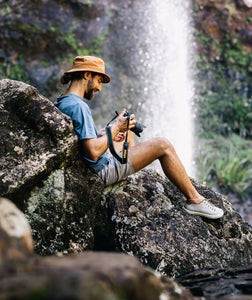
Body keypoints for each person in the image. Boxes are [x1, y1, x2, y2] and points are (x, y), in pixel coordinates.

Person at [54, 56, 224, 219]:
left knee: (127, 130)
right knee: (162, 144)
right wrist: (114, 128)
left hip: (91, 165)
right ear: (86, 75)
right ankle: (194, 200)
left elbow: (80, 139)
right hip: (100, 171)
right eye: (99, 81)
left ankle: (133, 170)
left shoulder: (63, 101)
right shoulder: (79, 107)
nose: (99, 88)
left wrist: (105, 133)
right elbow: (92, 152)